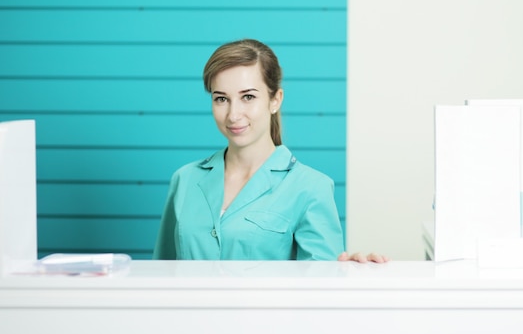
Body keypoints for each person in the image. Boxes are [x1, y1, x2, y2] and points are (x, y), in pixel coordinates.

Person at [153, 39, 387, 263]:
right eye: (221, 99)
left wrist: (352, 273)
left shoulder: (310, 188)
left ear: (275, 100)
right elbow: (161, 275)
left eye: (248, 97)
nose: (233, 115)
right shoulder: (185, 179)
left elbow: (323, 287)